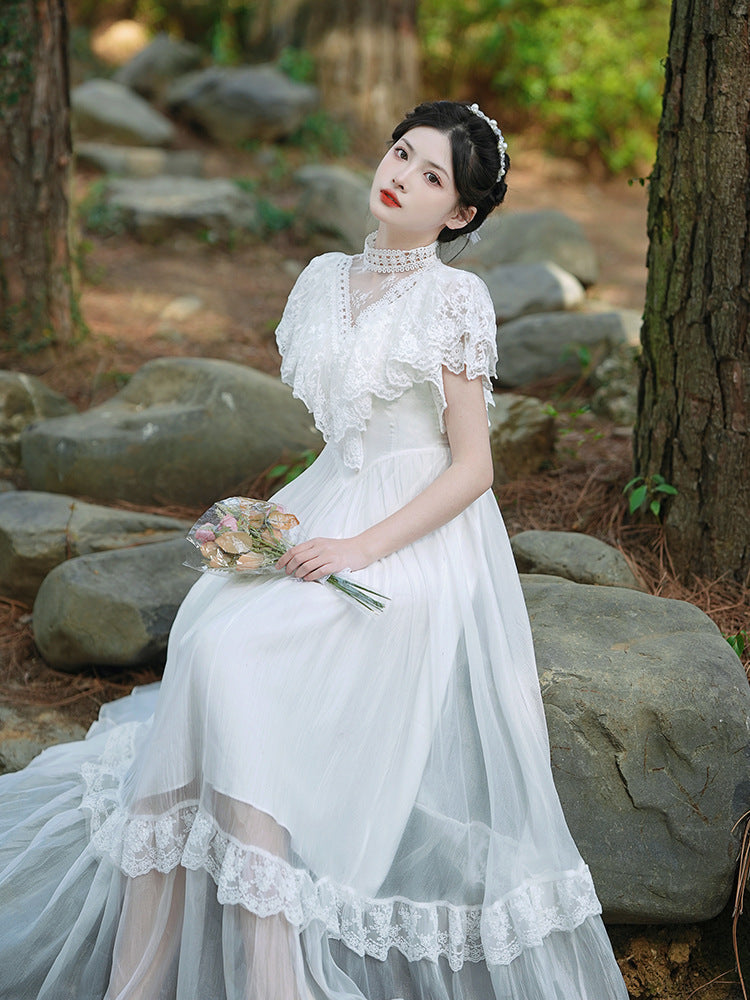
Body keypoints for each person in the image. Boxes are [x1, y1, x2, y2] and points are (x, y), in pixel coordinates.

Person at [0, 100, 629, 1000]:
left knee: (243, 656)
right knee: (208, 631)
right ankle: (144, 968)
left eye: (431, 176)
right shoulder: (325, 277)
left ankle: (272, 975)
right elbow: (346, 440)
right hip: (328, 504)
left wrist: (358, 548)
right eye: (402, 153)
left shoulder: (455, 298)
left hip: (416, 537)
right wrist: (287, 523)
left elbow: (473, 467)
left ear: (458, 214)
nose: (402, 176)